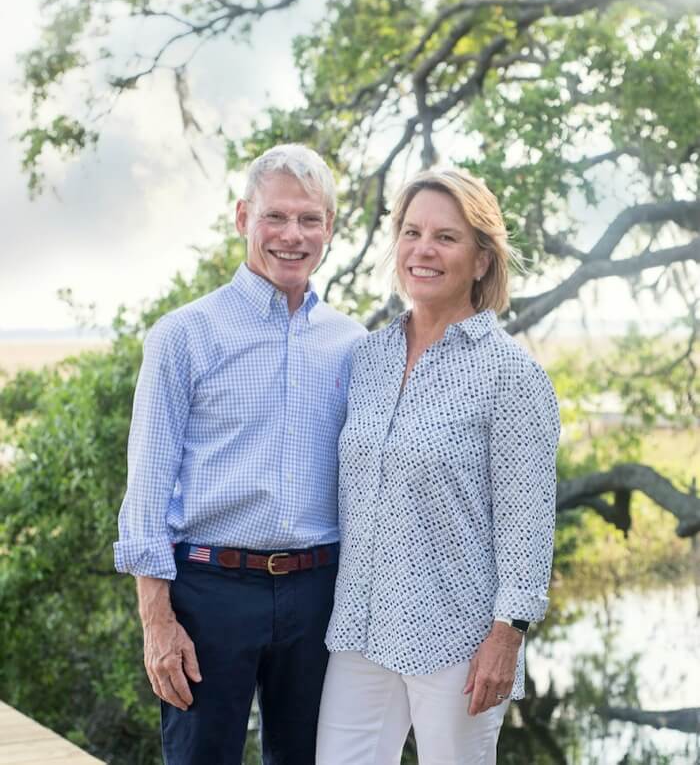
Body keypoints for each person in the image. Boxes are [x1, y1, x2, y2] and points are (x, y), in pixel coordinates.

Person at [114, 144, 366, 765]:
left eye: (310, 219)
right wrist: (157, 621)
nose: (292, 235)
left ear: (329, 228)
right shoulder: (183, 336)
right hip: (208, 591)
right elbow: (146, 487)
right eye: (276, 217)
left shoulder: (352, 343)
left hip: (318, 593)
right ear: (242, 218)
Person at [316, 169, 560, 765]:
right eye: (411, 232)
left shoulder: (512, 375)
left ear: (481, 260)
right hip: (360, 626)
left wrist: (508, 637)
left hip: (458, 637)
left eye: (446, 237)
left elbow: (527, 523)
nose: (423, 249)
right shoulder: (367, 358)